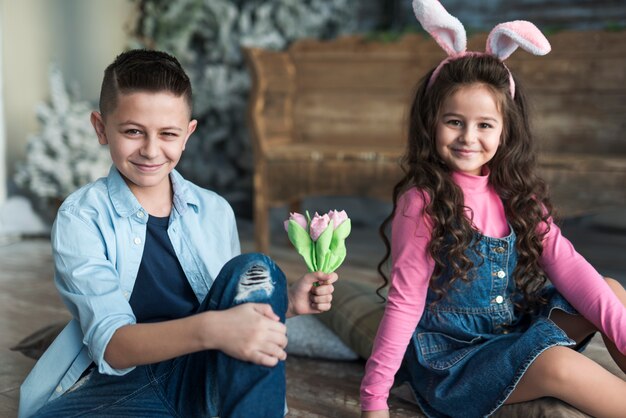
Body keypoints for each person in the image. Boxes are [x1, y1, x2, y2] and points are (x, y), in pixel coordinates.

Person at [18, 49, 338, 418]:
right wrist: (213, 329)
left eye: (167, 133)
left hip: (206, 376)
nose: (151, 150)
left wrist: (289, 305)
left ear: (188, 134)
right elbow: (112, 346)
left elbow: (232, 307)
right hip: (123, 385)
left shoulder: (215, 211)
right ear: (101, 128)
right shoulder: (80, 218)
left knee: (256, 269)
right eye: (133, 131)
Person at [360, 2, 626, 417]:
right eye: (454, 122)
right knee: (559, 364)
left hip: (512, 331)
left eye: (485, 124)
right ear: (431, 123)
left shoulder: (517, 195)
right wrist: (374, 401)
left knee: (609, 291)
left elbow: (570, 268)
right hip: (455, 364)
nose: (469, 137)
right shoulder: (423, 203)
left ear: (505, 131)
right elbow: (404, 302)